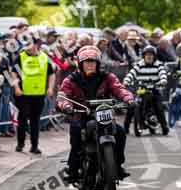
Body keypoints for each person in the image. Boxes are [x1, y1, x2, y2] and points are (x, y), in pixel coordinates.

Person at [57, 46, 135, 183]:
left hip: (103, 113)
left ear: (98, 63)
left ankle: (117, 165)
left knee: (121, 132)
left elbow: (119, 88)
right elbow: (63, 96)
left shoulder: (107, 77)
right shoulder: (71, 79)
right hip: (81, 115)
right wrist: (66, 106)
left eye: (93, 62)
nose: (90, 65)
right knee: (76, 132)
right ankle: (73, 169)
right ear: (80, 64)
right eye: (87, 62)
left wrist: (129, 99)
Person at [10, 35, 56, 154]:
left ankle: (34, 146)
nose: (27, 48)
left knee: (35, 120)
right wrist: (16, 87)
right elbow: (13, 73)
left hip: (39, 94)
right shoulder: (20, 57)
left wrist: (50, 88)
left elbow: (51, 74)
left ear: (36, 45)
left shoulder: (45, 58)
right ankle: (20, 143)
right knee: (23, 118)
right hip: (23, 94)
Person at [123, 45, 169, 136]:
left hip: (155, 90)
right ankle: (126, 127)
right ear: (143, 56)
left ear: (154, 56)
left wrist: (163, 80)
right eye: (147, 54)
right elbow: (132, 73)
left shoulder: (158, 64)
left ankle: (164, 126)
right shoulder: (139, 64)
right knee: (133, 106)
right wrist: (126, 81)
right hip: (142, 91)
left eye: (151, 54)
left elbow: (162, 72)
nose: (149, 56)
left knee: (159, 107)